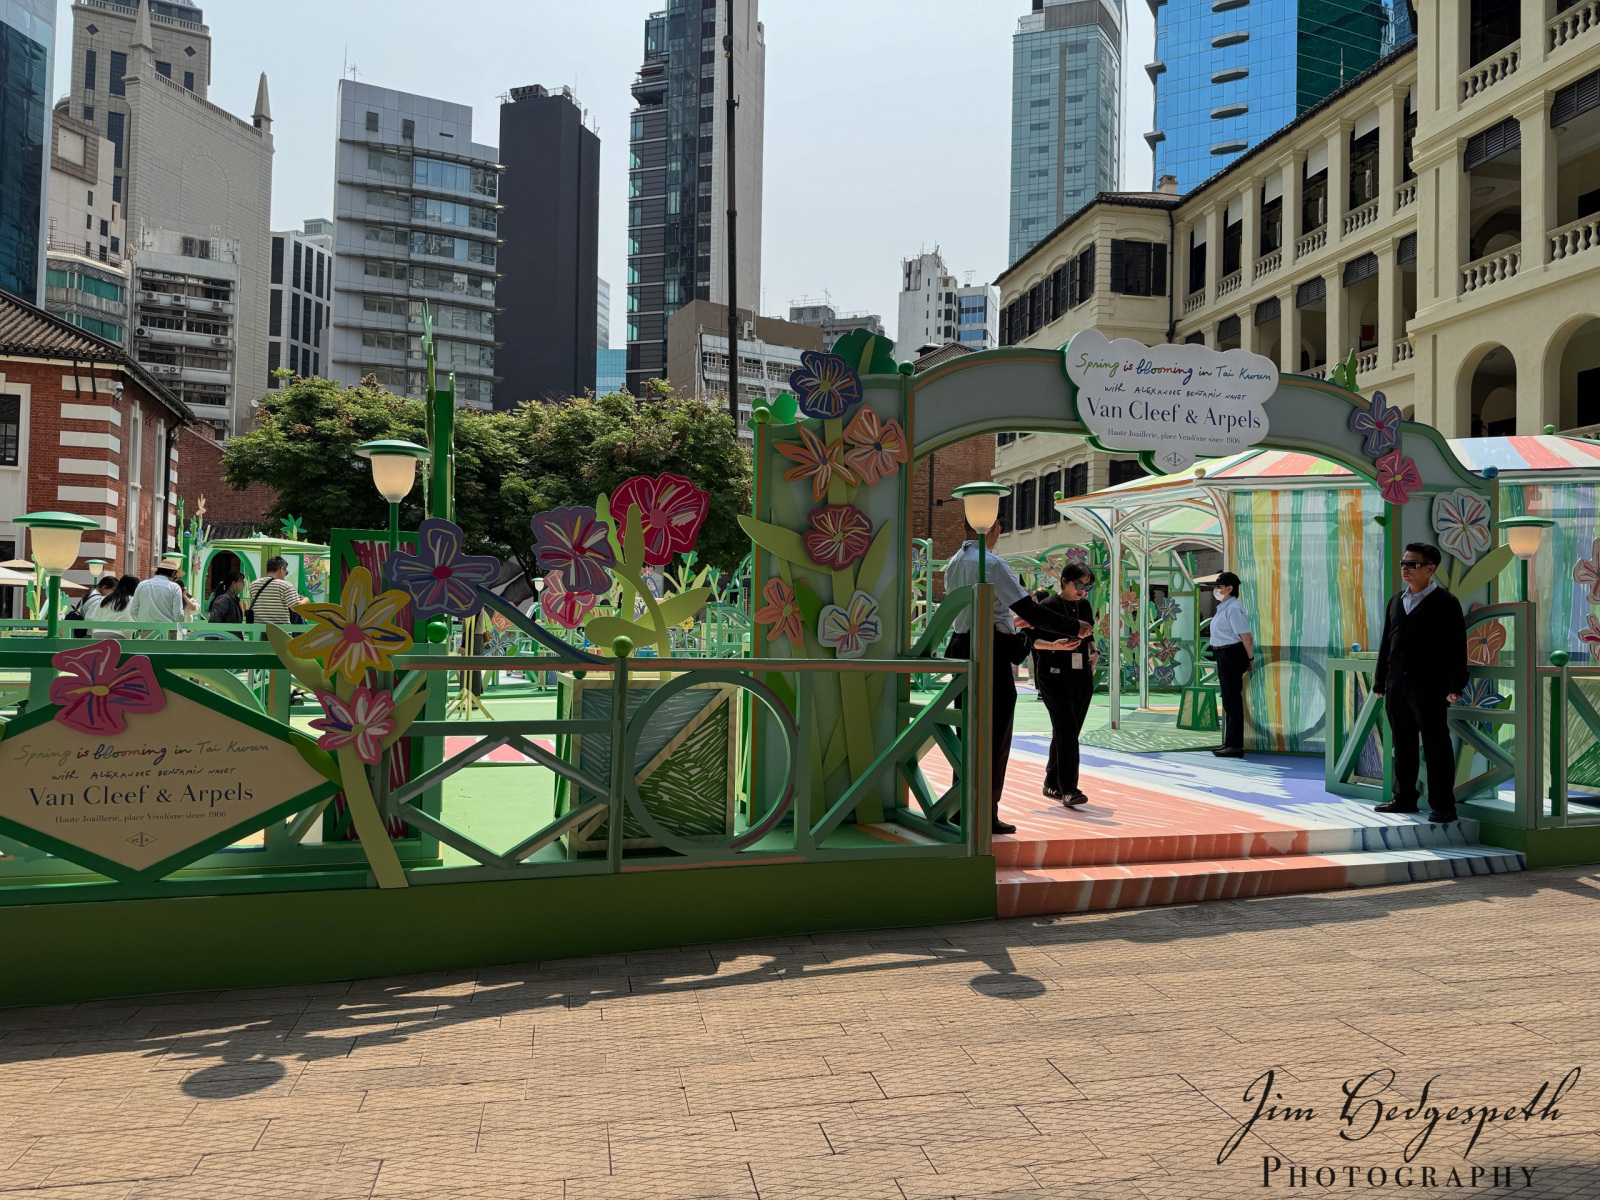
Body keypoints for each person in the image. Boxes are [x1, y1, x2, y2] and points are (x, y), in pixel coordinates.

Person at [942, 522, 1091, 835]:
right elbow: (1030, 611)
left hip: (962, 647)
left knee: (967, 733)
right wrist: (1073, 626)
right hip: (989, 651)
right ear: (993, 526)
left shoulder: (954, 562)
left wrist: (1013, 621)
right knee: (994, 736)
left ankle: (960, 809)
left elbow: (978, 611)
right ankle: (985, 813)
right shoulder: (993, 563)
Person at [1374, 542, 1468, 823]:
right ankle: (1404, 798)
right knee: (1402, 744)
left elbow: (1456, 646)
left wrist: (1455, 685)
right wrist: (1380, 680)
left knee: (1436, 745)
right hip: (1396, 685)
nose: (1405, 568)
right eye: (1404, 563)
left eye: (1412, 564)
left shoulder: (1446, 602)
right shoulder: (1396, 601)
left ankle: (1443, 805)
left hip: (1430, 687)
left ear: (1430, 568)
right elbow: (1386, 643)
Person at [1030, 564, 1098, 807]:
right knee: (1067, 728)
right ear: (1064, 581)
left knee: (1068, 730)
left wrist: (1093, 650)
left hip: (1081, 674)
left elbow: (1089, 634)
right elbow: (1032, 640)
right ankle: (1069, 789)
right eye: (1078, 584)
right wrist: (1054, 646)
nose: (1083, 590)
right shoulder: (1048, 606)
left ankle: (1051, 782)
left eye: (1087, 586)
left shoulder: (1084, 606)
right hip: (1053, 675)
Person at [1209, 571, 1255, 758]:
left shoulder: (1234, 608)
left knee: (1232, 700)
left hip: (1231, 654)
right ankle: (1229, 743)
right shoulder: (1224, 607)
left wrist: (1250, 659)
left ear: (1229, 589)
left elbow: (1246, 637)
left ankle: (1235, 745)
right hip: (1223, 654)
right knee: (1228, 700)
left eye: (1219, 587)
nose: (1216, 590)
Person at [130, 556, 187, 636]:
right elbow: (178, 614)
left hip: (146, 631)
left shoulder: (142, 585)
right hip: (167, 631)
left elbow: (133, 611)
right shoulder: (174, 587)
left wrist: (141, 622)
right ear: (173, 573)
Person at [245, 556, 303, 626]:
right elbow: (295, 608)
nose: (285, 574)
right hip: (280, 630)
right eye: (286, 571)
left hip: (258, 630)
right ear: (281, 569)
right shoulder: (285, 585)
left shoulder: (254, 584)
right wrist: (306, 600)